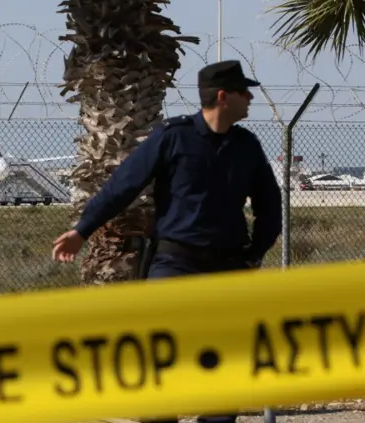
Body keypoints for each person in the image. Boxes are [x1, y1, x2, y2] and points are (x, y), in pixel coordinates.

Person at [51, 60, 282, 423]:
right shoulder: (173, 136)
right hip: (176, 264)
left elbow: (270, 207)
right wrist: (82, 230)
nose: (250, 97)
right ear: (223, 97)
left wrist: (253, 256)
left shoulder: (247, 147)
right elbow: (122, 186)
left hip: (228, 268)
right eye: (243, 91)